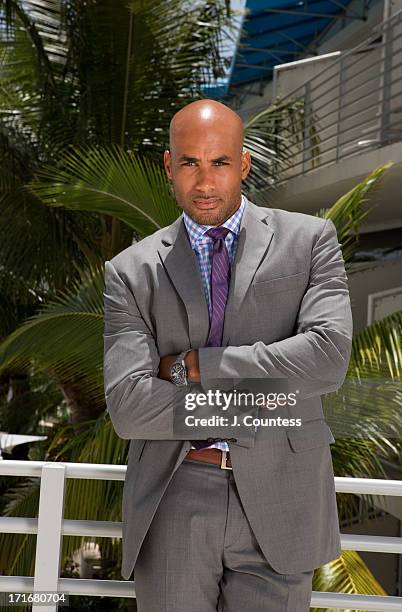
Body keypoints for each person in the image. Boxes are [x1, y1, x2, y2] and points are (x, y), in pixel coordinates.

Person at [103, 99, 353, 611]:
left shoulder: (310, 242)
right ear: (170, 167)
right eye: (190, 162)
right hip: (176, 493)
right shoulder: (130, 272)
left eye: (219, 162)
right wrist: (270, 403)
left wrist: (198, 366)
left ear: (243, 164)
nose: (204, 181)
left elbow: (327, 358)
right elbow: (129, 407)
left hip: (284, 494)